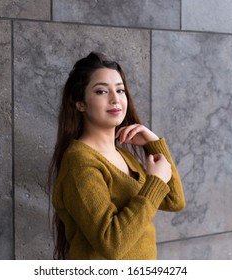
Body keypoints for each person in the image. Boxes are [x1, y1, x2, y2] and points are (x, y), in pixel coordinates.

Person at [48, 52, 185, 260]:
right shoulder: (80, 163)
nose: (115, 99)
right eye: (102, 91)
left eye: (120, 90)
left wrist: (153, 145)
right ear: (80, 103)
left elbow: (174, 201)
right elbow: (111, 244)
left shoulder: (123, 155)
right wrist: (155, 180)